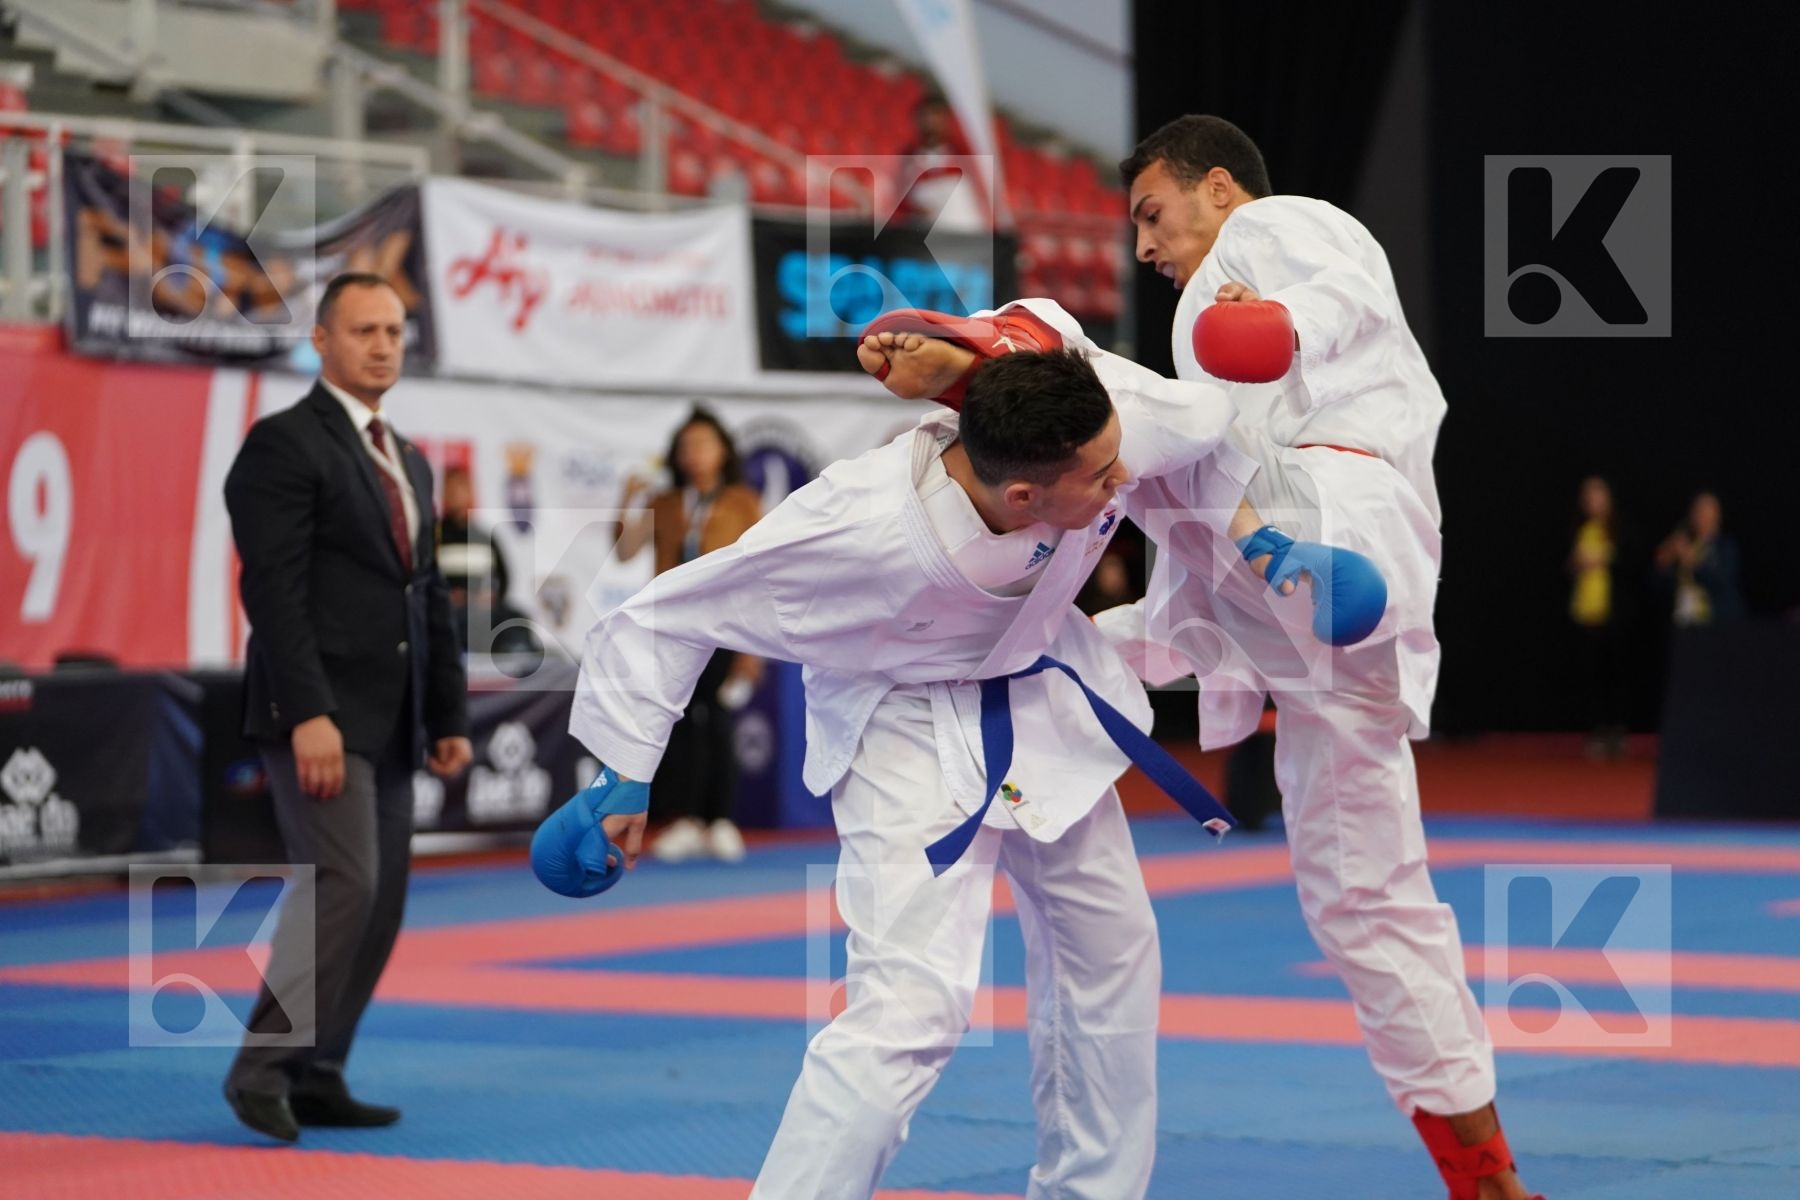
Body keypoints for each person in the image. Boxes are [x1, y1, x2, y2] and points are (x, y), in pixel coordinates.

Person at [531, 300, 1379, 1198]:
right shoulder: (852, 524)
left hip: (1042, 695)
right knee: (911, 1013)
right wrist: (623, 776)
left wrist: (1266, 543)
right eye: (1099, 477)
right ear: (1023, 497)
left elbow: (1206, 436)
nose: (1123, 477)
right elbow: (668, 614)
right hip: (901, 731)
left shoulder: (1108, 427)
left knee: (1116, 955)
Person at [1115, 115, 1542, 1200]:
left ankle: (1000, 357)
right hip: (1287, 586)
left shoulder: (1276, 229)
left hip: (1337, 504)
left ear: (1217, 188)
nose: (1142, 248)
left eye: (1152, 215)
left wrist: (1275, 327)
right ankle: (1483, 1174)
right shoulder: (1200, 322)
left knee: (1117, 417)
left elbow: (1338, 292)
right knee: (1360, 898)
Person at [221, 273, 473, 1143]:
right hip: (321, 713)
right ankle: (260, 1066)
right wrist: (306, 712)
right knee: (346, 882)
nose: (381, 345)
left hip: (396, 714)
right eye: (363, 330)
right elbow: (274, 592)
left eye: (395, 331)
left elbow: (427, 593)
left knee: (384, 897)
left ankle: (320, 1068)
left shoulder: (405, 456)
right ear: (321, 342)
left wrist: (447, 715)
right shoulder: (283, 446)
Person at [612, 407, 763, 863]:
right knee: (676, 722)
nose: (694, 454)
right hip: (674, 625)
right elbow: (623, 552)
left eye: (704, 444)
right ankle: (683, 819)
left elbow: (759, 569)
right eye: (686, 447)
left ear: (722, 452)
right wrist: (627, 501)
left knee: (715, 717)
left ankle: (720, 820)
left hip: (724, 624)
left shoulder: (741, 501)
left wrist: (752, 650)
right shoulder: (665, 502)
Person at [1568, 476, 1628, 757]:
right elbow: (1572, 565)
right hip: (1586, 611)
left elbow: (1628, 561)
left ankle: (1616, 731)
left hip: (1612, 613)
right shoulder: (1582, 529)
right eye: (1588, 498)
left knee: (1614, 673)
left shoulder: (1617, 529)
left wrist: (1605, 559)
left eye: (1598, 496)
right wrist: (1578, 563)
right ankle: (1597, 731)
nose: (1593, 502)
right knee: (1590, 675)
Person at [1654, 491, 1744, 628]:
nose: (1700, 515)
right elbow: (1659, 588)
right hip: (1684, 622)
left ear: (1717, 515)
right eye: (1697, 510)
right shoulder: (1681, 543)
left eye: (1705, 510)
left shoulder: (1724, 547)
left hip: (1716, 625)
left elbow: (1722, 582)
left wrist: (1692, 562)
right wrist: (1663, 564)